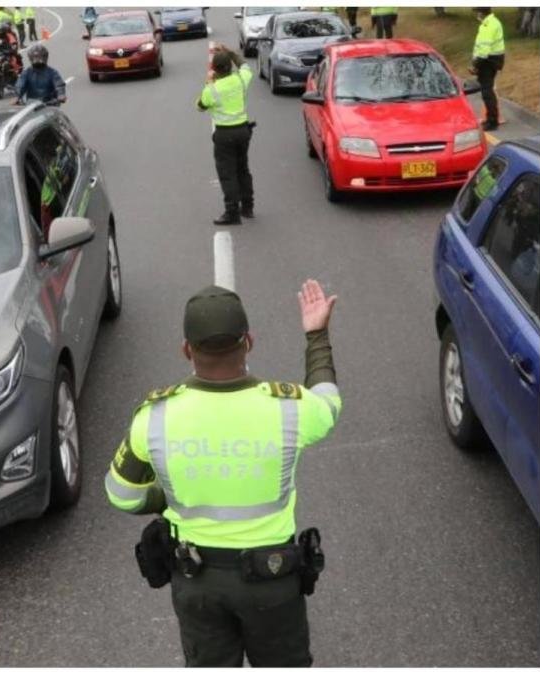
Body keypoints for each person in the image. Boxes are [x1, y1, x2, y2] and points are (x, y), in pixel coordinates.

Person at [105, 281, 341, 667]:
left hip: (197, 583)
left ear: (186, 350)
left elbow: (121, 495)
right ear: (249, 342)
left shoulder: (154, 418)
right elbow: (329, 402)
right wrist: (316, 336)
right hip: (273, 582)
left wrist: (166, 496)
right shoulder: (289, 409)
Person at [197, 44, 255, 225]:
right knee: (243, 169)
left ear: (214, 69)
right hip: (243, 131)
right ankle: (248, 208)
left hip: (224, 135)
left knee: (227, 173)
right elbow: (244, 65)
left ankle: (232, 212)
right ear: (230, 66)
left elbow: (200, 106)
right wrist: (230, 52)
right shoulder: (240, 80)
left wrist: (208, 82)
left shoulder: (212, 89)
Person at [470, 8, 504, 132]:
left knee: (487, 92)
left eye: (477, 12)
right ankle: (491, 117)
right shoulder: (492, 22)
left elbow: (484, 49)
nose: (476, 15)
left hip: (488, 61)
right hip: (491, 60)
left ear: (481, 12)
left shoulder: (488, 25)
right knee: (487, 90)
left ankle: (492, 121)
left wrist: (475, 65)